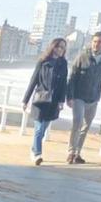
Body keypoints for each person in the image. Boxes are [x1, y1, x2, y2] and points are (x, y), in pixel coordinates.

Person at [66, 31, 101, 164]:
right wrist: (69, 96)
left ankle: (77, 153)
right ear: (91, 42)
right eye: (94, 41)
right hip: (79, 97)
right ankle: (71, 152)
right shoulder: (82, 56)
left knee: (86, 126)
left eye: (99, 42)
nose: (96, 44)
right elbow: (72, 77)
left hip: (94, 98)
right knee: (77, 122)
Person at [22, 38, 68, 166]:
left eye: (63, 48)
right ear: (53, 47)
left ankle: (33, 150)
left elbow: (64, 83)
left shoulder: (63, 64)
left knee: (43, 129)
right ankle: (37, 154)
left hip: (53, 102)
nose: (60, 49)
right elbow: (33, 80)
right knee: (39, 128)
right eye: (58, 46)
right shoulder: (43, 62)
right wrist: (25, 100)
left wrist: (61, 101)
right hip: (40, 100)